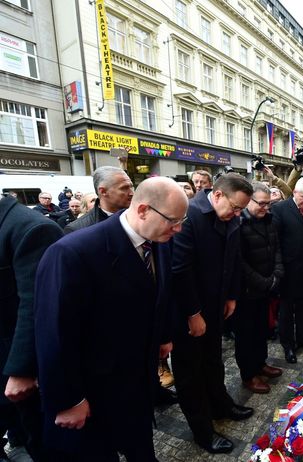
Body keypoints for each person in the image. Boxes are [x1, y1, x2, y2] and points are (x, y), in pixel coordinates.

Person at [34, 177, 188, 461]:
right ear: (143, 210)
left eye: (182, 220)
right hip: (93, 392)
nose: (178, 229)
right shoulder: (73, 252)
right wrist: (68, 401)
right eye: (173, 220)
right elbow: (54, 334)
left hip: (137, 384)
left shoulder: (159, 240)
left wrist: (162, 336)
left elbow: (159, 295)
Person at [171, 173, 254, 454]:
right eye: (235, 207)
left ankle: (221, 405)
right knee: (190, 372)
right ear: (217, 195)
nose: (237, 214)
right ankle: (202, 429)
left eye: (241, 210)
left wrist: (231, 295)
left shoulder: (230, 216)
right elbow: (180, 270)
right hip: (189, 308)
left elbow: (233, 257)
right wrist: (193, 313)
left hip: (217, 302)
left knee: (213, 360)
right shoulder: (190, 215)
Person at [0, 195, 63, 461]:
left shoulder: (31, 227)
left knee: (39, 439)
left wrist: (22, 369)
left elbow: (38, 304)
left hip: (20, 365)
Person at [235, 182, 284, 394]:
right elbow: (239, 262)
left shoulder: (269, 220)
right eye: (261, 204)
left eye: (269, 204)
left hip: (267, 287)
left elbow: (277, 250)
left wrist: (277, 274)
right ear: (249, 201)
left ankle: (260, 363)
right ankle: (248, 374)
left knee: (261, 330)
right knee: (246, 334)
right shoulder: (238, 223)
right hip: (247, 291)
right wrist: (263, 281)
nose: (265, 208)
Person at [271, 177, 303, 364]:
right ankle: (288, 345)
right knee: (286, 309)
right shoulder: (279, 209)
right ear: (294, 193)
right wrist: (277, 269)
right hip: (287, 269)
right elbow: (275, 242)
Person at [65, 166, 134, 234]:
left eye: (131, 187)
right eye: (124, 188)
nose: (132, 193)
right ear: (103, 191)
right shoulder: (78, 229)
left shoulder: (140, 217)